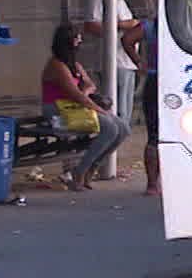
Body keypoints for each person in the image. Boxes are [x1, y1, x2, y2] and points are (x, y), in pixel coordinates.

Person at [42, 24, 128, 191]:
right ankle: (79, 171)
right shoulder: (57, 66)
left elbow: (89, 85)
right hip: (58, 109)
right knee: (109, 127)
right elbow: (77, 95)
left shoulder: (75, 65)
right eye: (77, 38)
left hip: (75, 107)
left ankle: (92, 167)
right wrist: (99, 109)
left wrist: (86, 91)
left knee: (123, 128)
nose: (80, 41)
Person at [82, 0, 142, 132]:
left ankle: (122, 135)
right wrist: (124, 25)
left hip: (127, 61)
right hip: (113, 60)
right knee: (116, 108)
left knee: (126, 110)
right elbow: (91, 26)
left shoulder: (120, 0)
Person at [139, 15, 160, 197]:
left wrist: (140, 62)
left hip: (154, 78)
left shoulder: (151, 25)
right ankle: (154, 183)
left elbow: (127, 39)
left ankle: (152, 184)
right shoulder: (187, 23)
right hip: (173, 78)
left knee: (154, 135)